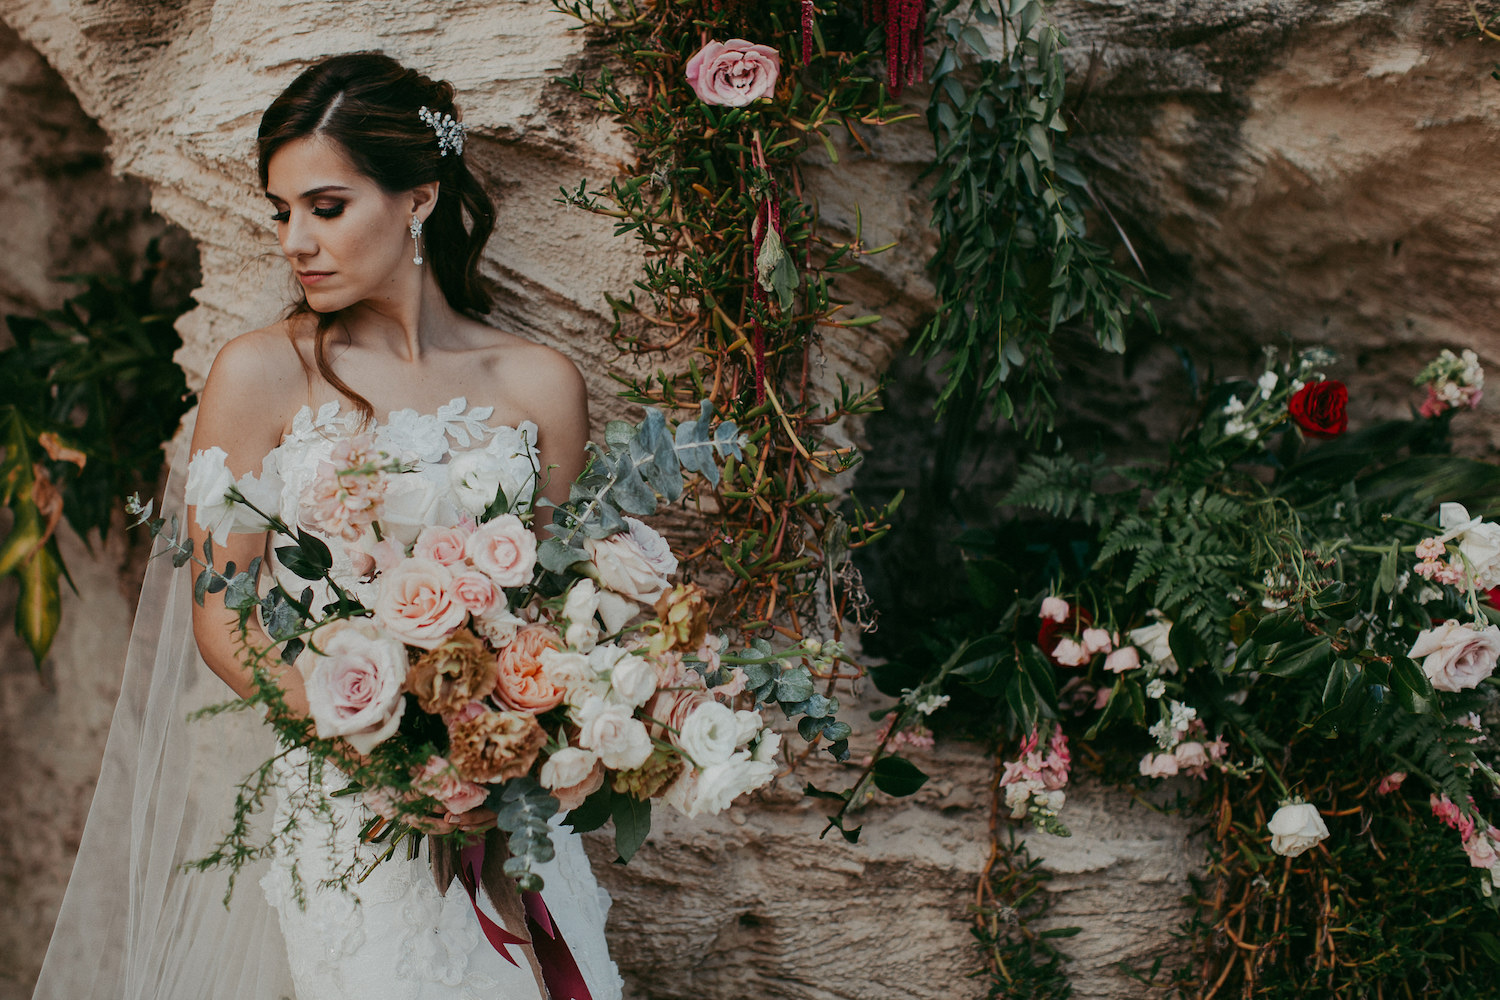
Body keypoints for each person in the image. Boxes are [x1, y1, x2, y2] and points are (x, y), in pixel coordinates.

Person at [33, 53, 622, 1000]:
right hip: (350, 807)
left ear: (418, 198)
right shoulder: (262, 374)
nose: (295, 240)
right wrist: (387, 746)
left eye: (326, 206)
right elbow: (221, 617)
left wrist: (507, 742)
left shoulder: (540, 385)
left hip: (516, 822)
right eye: (282, 212)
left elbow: (550, 617)